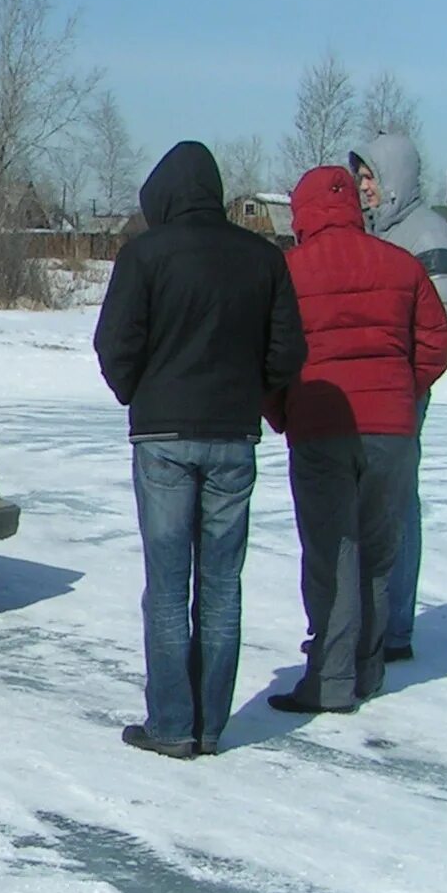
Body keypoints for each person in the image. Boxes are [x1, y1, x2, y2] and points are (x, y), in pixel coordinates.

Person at [94, 141, 306, 758]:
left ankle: (171, 726)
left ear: (162, 196)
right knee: (221, 584)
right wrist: (246, 392)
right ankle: (210, 726)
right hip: (234, 437)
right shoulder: (263, 258)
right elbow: (288, 352)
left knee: (167, 586)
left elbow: (115, 344)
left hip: (162, 438)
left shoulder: (145, 255)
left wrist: (140, 391)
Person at [264, 165, 447, 713]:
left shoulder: (287, 273)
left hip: (321, 426)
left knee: (331, 553)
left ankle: (331, 679)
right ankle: (368, 670)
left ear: (303, 212)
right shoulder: (400, 266)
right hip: (392, 431)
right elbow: (435, 344)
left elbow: (265, 357)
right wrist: (399, 392)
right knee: (376, 552)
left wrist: (284, 412)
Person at [348, 132, 447, 661]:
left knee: (396, 503)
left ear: (394, 178)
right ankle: (362, 619)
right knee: (362, 503)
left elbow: (445, 318)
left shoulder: (427, 232)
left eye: (371, 177)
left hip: (401, 392)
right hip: (366, 390)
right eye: (361, 178)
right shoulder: (371, 231)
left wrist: (406, 384)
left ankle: (395, 627)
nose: (364, 187)